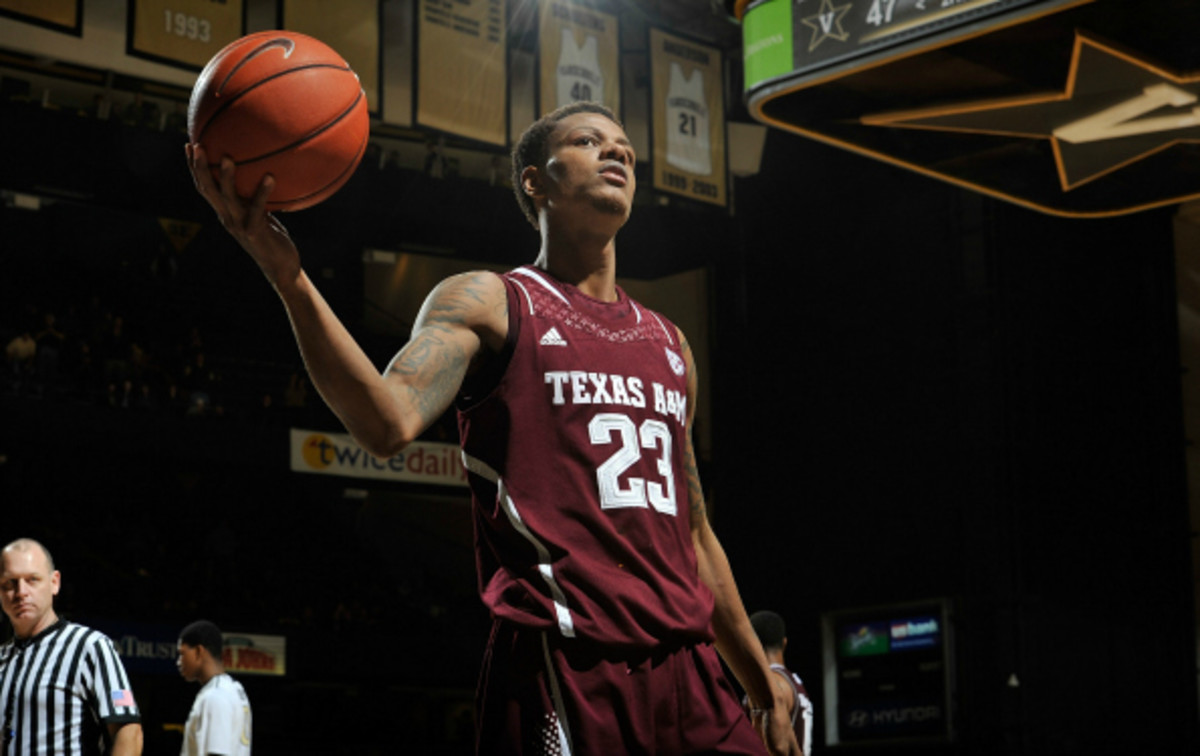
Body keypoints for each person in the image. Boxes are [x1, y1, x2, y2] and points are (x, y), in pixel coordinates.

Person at [186, 100, 799, 755]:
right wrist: (290, 277)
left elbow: (697, 535)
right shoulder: (490, 302)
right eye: (589, 141)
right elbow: (385, 421)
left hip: (688, 667)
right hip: (564, 662)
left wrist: (762, 688)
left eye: (623, 146)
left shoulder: (670, 343)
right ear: (535, 181)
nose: (616, 152)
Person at [0, 538, 143, 755]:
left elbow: (128, 732)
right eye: (9, 583)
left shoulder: (90, 647)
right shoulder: (3, 658)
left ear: (54, 583)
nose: (21, 592)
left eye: (33, 580)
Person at [176, 620, 252, 756]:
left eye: (182, 654)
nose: (179, 662)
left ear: (199, 651)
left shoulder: (216, 695)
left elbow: (218, 753)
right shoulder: (234, 688)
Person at [748, 611, 815, 756]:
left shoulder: (771, 683)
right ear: (784, 643)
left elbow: (777, 747)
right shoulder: (794, 682)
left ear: (752, 644)